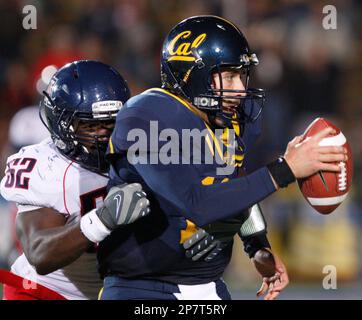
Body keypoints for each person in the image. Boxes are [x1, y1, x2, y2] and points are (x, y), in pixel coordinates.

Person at [97, 15, 346, 300]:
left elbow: (233, 180)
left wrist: (256, 244)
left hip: (208, 285)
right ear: (193, 74)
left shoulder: (230, 118)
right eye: (229, 76)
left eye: (241, 75)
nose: (240, 88)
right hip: (143, 287)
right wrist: (285, 169)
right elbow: (196, 202)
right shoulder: (147, 116)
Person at [0, 60, 150, 300]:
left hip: (112, 290)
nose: (105, 135)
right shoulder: (48, 168)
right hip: (45, 293)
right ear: (62, 125)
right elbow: (39, 253)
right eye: (91, 125)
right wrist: (103, 220)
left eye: (112, 122)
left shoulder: (143, 153)